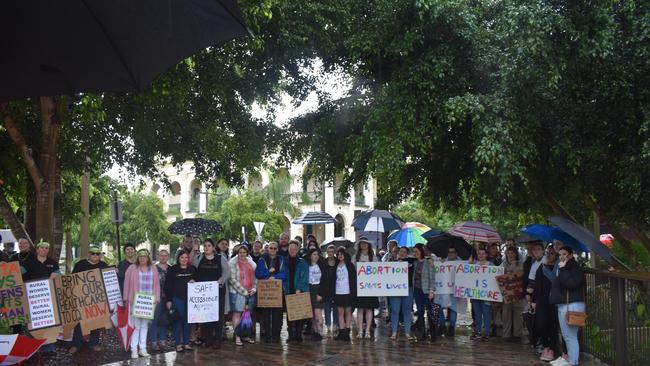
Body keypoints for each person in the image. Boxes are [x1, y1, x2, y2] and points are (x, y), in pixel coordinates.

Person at [550, 246, 585, 366]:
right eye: (560, 255)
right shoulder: (562, 267)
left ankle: (573, 362)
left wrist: (563, 270)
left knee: (571, 336)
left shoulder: (574, 267)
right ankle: (571, 360)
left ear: (570, 255)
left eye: (564, 254)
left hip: (572, 305)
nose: (561, 257)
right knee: (567, 336)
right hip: (564, 304)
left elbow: (572, 284)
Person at [69, 244, 107, 354]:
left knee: (97, 321)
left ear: (100, 255)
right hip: (82, 298)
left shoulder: (104, 265)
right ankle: (76, 344)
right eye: (93, 253)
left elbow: (109, 280)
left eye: (97, 253)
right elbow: (72, 280)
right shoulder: (80, 264)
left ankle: (94, 343)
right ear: (89, 254)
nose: (95, 255)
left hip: (98, 298)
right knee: (79, 322)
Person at [23, 240, 60, 354]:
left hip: (49, 298)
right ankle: (32, 347)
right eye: (41, 247)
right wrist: (6, 268)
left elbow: (59, 274)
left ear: (48, 250)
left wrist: (57, 274)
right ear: (37, 249)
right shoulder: (28, 262)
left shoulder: (53, 263)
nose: (44, 250)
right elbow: (17, 273)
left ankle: (48, 346)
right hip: (32, 298)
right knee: (33, 322)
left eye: (46, 248)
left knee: (49, 321)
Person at [124, 249, 160, 359]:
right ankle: (134, 349)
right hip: (135, 301)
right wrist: (126, 298)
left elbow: (157, 284)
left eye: (144, 256)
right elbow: (126, 284)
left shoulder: (153, 268)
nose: (142, 258)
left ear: (148, 257)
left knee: (144, 326)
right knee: (136, 326)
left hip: (148, 302)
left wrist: (157, 297)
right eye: (140, 256)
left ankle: (142, 348)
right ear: (137, 257)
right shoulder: (132, 268)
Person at [196, 238, 230, 349]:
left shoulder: (220, 258)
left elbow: (227, 273)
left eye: (209, 245)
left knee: (218, 316)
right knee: (206, 316)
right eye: (204, 245)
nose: (206, 248)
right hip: (204, 293)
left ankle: (218, 340)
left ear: (213, 247)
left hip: (218, 291)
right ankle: (208, 339)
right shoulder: (199, 258)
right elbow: (194, 271)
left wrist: (219, 282)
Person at [255, 241, 287, 343]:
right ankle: (268, 336)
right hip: (266, 291)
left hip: (278, 290)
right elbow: (258, 274)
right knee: (266, 314)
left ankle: (276, 336)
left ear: (277, 249)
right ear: (268, 249)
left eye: (275, 248)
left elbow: (285, 274)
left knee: (278, 314)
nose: (273, 250)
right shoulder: (262, 260)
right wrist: (268, 273)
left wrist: (275, 277)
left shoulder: (282, 259)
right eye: (271, 248)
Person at [165, 250, 196, 353]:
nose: (184, 259)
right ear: (178, 258)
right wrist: (168, 300)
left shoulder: (193, 269)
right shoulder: (173, 269)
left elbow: (199, 283)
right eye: (182, 257)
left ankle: (186, 343)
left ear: (188, 259)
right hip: (177, 299)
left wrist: (194, 281)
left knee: (188, 321)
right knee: (177, 321)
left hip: (190, 300)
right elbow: (167, 286)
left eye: (186, 257)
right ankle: (178, 344)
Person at [532, 246, 559, 362]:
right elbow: (536, 285)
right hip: (542, 301)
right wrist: (533, 300)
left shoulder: (559, 268)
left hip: (554, 301)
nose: (549, 255)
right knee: (541, 324)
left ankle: (551, 348)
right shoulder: (541, 267)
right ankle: (545, 345)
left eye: (552, 253)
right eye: (548, 252)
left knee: (552, 325)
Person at [228, 245, 257, 346]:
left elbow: (256, 276)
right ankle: (238, 337)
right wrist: (244, 291)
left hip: (250, 292)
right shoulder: (232, 262)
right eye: (240, 252)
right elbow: (232, 280)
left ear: (247, 253)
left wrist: (254, 288)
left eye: (244, 252)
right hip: (237, 293)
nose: (242, 254)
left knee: (247, 314)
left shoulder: (251, 262)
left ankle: (246, 335)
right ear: (237, 253)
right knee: (237, 314)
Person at [351, 238, 379, 339]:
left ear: (368, 245)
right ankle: (360, 331)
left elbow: (377, 270)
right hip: (359, 286)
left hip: (370, 286)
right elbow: (352, 270)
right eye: (361, 243)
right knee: (360, 309)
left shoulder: (373, 257)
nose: (363, 245)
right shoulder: (355, 257)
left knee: (369, 308)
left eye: (365, 243)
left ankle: (367, 330)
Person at [285, 241, 309, 342]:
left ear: (298, 249)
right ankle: (291, 335)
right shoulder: (284, 261)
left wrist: (299, 288)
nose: (293, 250)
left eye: (295, 249)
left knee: (300, 314)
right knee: (289, 315)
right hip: (288, 290)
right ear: (288, 249)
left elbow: (304, 277)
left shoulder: (302, 262)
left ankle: (298, 335)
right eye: (291, 249)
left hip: (299, 291)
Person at [390, 246, 415, 341]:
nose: (402, 253)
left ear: (407, 253)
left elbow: (418, 258)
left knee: (407, 311)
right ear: (397, 253)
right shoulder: (392, 263)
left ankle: (407, 333)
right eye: (400, 252)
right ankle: (394, 332)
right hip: (394, 289)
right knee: (395, 310)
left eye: (404, 252)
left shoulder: (411, 262)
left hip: (408, 289)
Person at [501, 246, 524, 342]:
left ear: (516, 254)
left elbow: (522, 275)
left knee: (518, 313)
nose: (510, 255)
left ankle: (517, 334)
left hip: (518, 292)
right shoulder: (503, 264)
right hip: (506, 293)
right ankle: (506, 334)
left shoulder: (521, 264)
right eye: (508, 253)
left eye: (512, 253)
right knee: (506, 314)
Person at [470, 247, 493, 341]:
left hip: (486, 295)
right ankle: (478, 332)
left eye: (483, 254)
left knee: (486, 313)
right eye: (479, 254)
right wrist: (470, 265)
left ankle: (487, 333)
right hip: (475, 294)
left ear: (486, 255)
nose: (481, 255)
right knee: (477, 314)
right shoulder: (474, 264)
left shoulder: (491, 265)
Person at [150, 249, 170, 351]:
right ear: (158, 256)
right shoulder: (153, 268)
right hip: (156, 297)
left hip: (167, 298)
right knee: (155, 319)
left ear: (168, 257)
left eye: (165, 255)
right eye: (161, 255)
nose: (163, 257)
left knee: (164, 319)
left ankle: (162, 339)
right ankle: (153, 340)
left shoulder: (171, 268)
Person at [334, 247, 356, 341]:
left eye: (341, 254)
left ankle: (347, 331)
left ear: (345, 255)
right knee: (340, 312)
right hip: (338, 292)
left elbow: (353, 278)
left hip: (348, 292)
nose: (340, 256)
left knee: (348, 312)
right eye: (338, 254)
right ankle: (341, 331)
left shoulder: (350, 265)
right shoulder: (336, 265)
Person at [412, 244, 432, 341]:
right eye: (414, 252)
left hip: (426, 290)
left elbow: (432, 277)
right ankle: (422, 332)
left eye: (416, 251)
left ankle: (431, 331)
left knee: (430, 311)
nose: (414, 253)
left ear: (421, 252)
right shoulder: (414, 262)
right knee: (420, 311)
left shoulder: (428, 262)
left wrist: (432, 290)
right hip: (417, 290)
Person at [306, 248, 326, 340]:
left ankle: (320, 332)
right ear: (310, 256)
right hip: (309, 288)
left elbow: (325, 280)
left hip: (318, 289)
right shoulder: (307, 265)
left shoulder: (321, 265)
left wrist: (321, 293)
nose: (316, 256)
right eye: (314, 254)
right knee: (312, 313)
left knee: (318, 312)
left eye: (317, 254)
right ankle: (315, 331)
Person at [322, 245, 339, 334]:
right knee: (326, 308)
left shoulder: (338, 262)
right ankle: (328, 325)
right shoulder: (323, 262)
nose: (330, 254)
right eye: (329, 252)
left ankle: (335, 324)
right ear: (327, 252)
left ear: (334, 253)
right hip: (326, 288)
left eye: (332, 252)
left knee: (336, 308)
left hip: (336, 288)